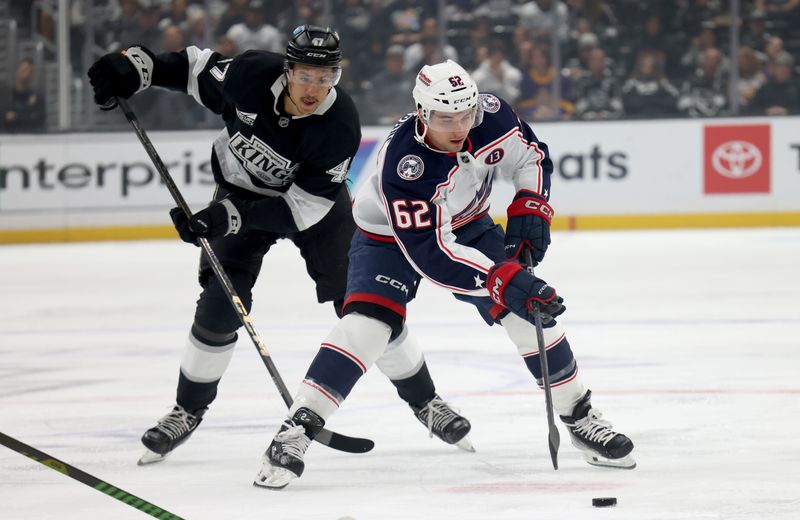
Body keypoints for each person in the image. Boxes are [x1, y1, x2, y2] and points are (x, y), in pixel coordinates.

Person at [87, 25, 472, 465]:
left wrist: (223, 218)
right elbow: (194, 70)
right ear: (287, 69)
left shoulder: (339, 123)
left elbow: (304, 207)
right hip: (239, 191)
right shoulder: (250, 73)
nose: (315, 88)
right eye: (306, 75)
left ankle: (426, 401)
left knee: (368, 305)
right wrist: (137, 67)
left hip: (317, 212)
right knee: (219, 305)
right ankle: (186, 410)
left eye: (326, 78)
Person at [256, 60, 636, 490]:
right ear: (421, 113)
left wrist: (531, 205)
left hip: (468, 223)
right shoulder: (406, 166)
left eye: (465, 115)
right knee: (368, 326)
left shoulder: (492, 115)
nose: (458, 127)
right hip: (389, 237)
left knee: (531, 317)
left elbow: (531, 157)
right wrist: (503, 279)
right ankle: (296, 429)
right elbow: (433, 254)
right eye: (444, 117)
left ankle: (580, 417)